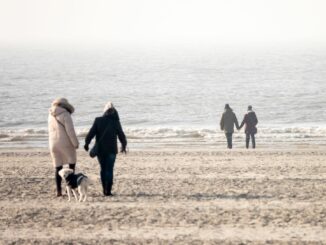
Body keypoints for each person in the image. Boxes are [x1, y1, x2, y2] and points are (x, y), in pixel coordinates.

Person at [84, 102, 127, 196]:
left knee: (103, 169)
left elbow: (91, 133)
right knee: (110, 169)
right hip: (112, 150)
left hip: (101, 150)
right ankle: (108, 191)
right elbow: (121, 135)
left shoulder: (98, 120)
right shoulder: (116, 122)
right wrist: (123, 145)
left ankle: (104, 190)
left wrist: (86, 143)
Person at [48, 98, 79, 197]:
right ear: (65, 105)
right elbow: (70, 132)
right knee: (71, 167)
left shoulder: (50, 115)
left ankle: (58, 191)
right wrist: (75, 143)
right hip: (65, 143)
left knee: (58, 168)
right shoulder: (66, 115)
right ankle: (71, 189)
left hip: (53, 144)